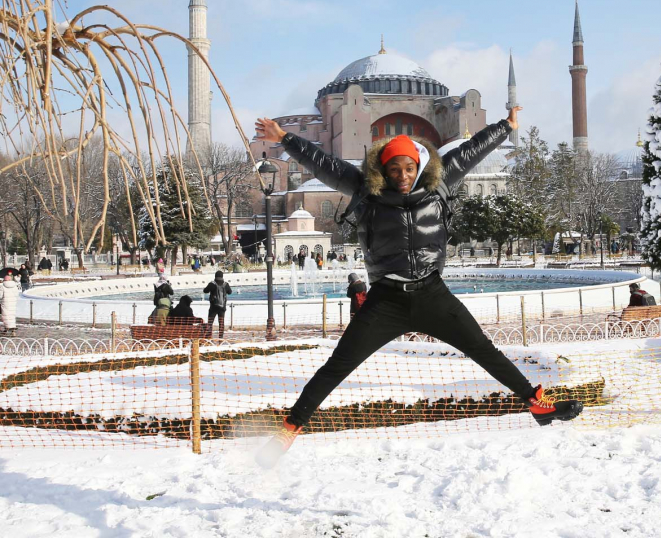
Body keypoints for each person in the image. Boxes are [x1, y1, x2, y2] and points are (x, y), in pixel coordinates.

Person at [253, 106, 582, 464]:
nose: (403, 176)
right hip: (385, 301)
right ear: (384, 170)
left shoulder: (438, 183)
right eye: (395, 169)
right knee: (338, 365)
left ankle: (536, 405)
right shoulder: (366, 189)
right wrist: (284, 138)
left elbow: (470, 152)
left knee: (484, 350)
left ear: (419, 166)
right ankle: (289, 429)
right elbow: (325, 164)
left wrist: (506, 126)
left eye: (409, 168)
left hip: (431, 294)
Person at [203, 270, 232, 339]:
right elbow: (230, 292)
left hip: (213, 307)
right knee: (221, 323)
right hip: (222, 308)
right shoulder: (225, 284)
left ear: (215, 276)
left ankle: (208, 337)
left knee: (210, 322)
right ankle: (220, 338)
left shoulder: (212, 284)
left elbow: (205, 291)